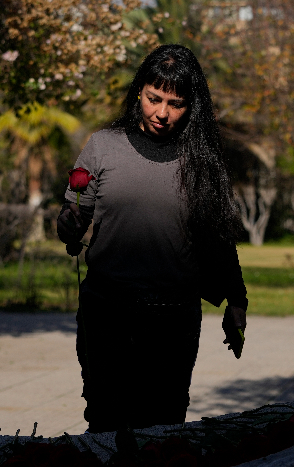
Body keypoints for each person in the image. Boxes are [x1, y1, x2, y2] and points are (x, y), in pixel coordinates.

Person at [56, 44, 248, 433]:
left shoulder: (202, 160)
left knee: (163, 428)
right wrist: (69, 224)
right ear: (138, 92)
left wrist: (237, 300)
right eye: (153, 98)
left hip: (172, 319)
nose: (162, 113)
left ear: (191, 106)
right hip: (106, 312)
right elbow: (72, 220)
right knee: (106, 424)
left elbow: (219, 240)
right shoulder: (103, 146)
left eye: (175, 104)